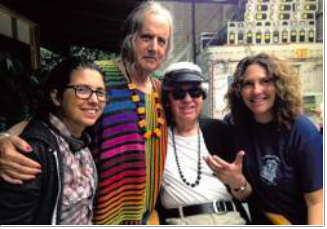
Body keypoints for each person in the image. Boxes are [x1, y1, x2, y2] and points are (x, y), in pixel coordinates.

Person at [0, 2, 173, 225]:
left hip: (146, 217)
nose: (154, 47)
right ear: (131, 38)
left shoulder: (161, 90)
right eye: (146, 37)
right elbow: (41, 117)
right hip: (96, 216)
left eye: (162, 41)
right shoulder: (98, 77)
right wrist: (3, 140)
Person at [206, 53, 323, 225]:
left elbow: (317, 202)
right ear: (239, 90)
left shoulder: (301, 132)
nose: (257, 90)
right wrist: (237, 182)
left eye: (265, 81)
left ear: (279, 86)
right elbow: (246, 195)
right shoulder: (234, 126)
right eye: (248, 84)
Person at [0, 57, 107, 224]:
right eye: (82, 90)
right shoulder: (32, 152)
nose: (94, 100)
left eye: (100, 92)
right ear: (56, 97)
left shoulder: (82, 140)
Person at [158, 62, 247, 225]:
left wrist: (237, 182)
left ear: (202, 95)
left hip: (231, 219)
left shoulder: (219, 131)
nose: (187, 99)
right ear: (167, 99)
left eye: (195, 92)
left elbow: (245, 195)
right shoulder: (157, 139)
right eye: (178, 93)